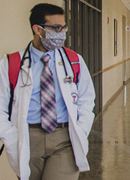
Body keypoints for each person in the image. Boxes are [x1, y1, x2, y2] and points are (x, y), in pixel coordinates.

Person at [0, 3, 95, 180]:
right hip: (27, 138)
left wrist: (81, 129)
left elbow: (87, 99)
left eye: (64, 27)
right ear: (38, 29)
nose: (62, 33)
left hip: (64, 139)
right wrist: (11, 137)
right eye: (56, 28)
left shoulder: (74, 60)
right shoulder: (11, 64)